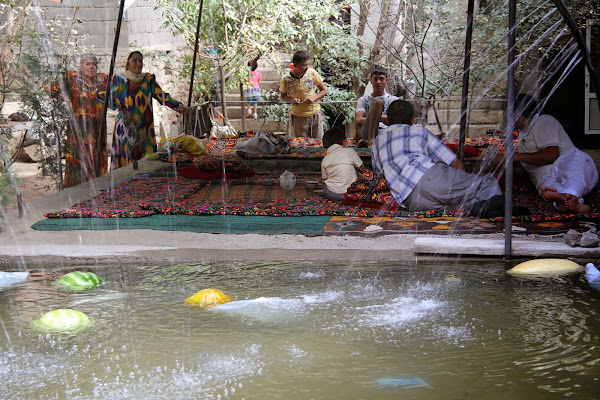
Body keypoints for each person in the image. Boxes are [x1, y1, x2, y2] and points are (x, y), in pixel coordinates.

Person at [372, 99, 509, 216]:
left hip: (411, 200)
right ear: (412, 120)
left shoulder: (378, 140)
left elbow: (378, 177)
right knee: (486, 182)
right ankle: (497, 209)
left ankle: (481, 208)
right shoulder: (417, 130)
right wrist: (463, 183)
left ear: (388, 121)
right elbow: (453, 161)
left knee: (459, 204)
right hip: (428, 177)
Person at [511, 94, 598, 213]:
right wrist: (502, 165)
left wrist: (516, 157)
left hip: (568, 160)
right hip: (545, 177)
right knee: (548, 189)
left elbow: (551, 154)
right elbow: (526, 168)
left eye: (511, 113)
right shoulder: (522, 138)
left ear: (519, 112)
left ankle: (571, 196)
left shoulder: (544, 121)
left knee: (574, 174)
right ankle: (569, 202)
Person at [101, 51, 188, 169]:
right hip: (126, 128)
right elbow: (107, 99)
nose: (138, 63)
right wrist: (121, 107)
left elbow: (162, 96)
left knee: (147, 161)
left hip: (145, 129)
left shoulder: (148, 80)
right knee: (127, 163)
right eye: (134, 61)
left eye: (140, 60)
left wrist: (179, 106)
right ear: (127, 64)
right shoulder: (120, 80)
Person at [47, 53, 108, 187]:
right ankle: (76, 195)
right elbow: (50, 89)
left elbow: (117, 92)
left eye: (94, 64)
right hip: (78, 132)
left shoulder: (103, 79)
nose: (91, 67)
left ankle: (98, 194)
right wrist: (65, 98)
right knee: (78, 162)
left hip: (98, 130)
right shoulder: (72, 79)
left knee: (98, 161)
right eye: (88, 64)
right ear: (81, 67)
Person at [280, 50, 327, 138]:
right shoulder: (286, 79)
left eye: (308, 64)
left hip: (315, 114)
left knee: (319, 143)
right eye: (303, 65)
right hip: (298, 117)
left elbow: (324, 91)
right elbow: (283, 96)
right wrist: (291, 100)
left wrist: (313, 99)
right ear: (295, 65)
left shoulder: (311, 72)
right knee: (300, 145)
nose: (306, 67)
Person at [355, 67, 399, 147]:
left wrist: (374, 117)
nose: (378, 82)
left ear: (386, 81)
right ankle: (371, 139)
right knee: (378, 102)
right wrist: (380, 118)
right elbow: (359, 120)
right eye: (375, 79)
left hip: (386, 131)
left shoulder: (393, 100)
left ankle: (367, 142)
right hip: (367, 132)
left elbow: (395, 120)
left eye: (381, 79)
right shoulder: (363, 99)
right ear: (371, 81)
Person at [321, 127, 364, 201]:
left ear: (325, 146)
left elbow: (324, 177)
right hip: (351, 193)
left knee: (326, 186)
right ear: (344, 141)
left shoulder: (325, 159)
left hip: (332, 195)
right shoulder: (350, 152)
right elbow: (362, 167)